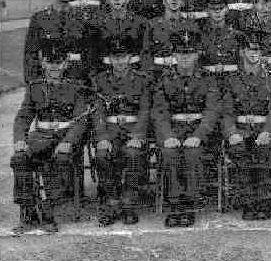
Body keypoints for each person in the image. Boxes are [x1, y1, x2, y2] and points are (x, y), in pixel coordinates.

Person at [11, 39, 91, 234]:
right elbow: (23, 117)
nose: (54, 67)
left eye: (58, 62)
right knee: (19, 158)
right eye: (50, 62)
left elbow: (80, 121)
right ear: (43, 63)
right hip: (41, 136)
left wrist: (68, 142)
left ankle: (49, 212)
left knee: (57, 159)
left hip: (64, 138)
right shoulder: (35, 88)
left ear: (65, 64)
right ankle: (28, 211)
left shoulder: (76, 88)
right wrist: (20, 139)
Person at [152, 30, 220, 227]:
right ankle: (174, 205)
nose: (184, 58)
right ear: (174, 55)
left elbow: (212, 111)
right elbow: (159, 112)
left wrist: (198, 135)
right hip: (173, 129)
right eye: (181, 53)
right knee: (169, 153)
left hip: (199, 130)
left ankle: (189, 204)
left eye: (189, 53)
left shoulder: (208, 78)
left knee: (192, 153)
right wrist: (167, 136)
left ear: (196, 55)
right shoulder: (164, 79)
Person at [221, 31, 271, 220]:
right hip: (240, 130)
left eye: (257, 50)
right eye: (250, 49)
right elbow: (227, 112)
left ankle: (263, 202)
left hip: (262, 129)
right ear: (242, 52)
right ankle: (248, 202)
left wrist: (268, 131)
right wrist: (231, 132)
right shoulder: (231, 79)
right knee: (239, 152)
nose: (254, 53)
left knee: (264, 152)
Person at [92, 35, 150, 226]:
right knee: (102, 155)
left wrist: (138, 136)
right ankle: (111, 201)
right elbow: (98, 111)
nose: (119, 61)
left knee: (133, 154)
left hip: (133, 129)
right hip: (110, 130)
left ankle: (128, 203)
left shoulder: (142, 80)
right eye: (115, 57)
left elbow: (145, 110)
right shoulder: (100, 80)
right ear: (109, 59)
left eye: (123, 56)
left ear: (130, 57)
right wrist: (102, 137)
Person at [143, 0, 199, 78]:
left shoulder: (191, 25)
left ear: (183, 2)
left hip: (184, 74)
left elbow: (196, 54)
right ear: (163, 0)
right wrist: (152, 72)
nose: (174, 0)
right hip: (158, 74)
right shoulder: (152, 24)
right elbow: (146, 53)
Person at [93, 0, 147, 70]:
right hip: (105, 69)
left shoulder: (140, 22)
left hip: (134, 69)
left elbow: (145, 51)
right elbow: (94, 52)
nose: (117, 0)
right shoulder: (98, 23)